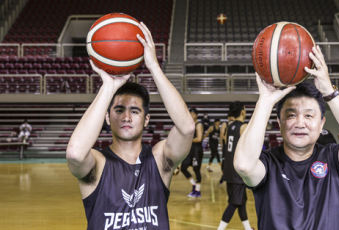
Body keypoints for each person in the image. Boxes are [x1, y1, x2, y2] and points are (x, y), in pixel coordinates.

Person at [66, 22, 195, 230]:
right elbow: (74, 154)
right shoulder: (98, 164)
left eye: (135, 111)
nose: (126, 116)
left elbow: (187, 128)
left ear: (146, 119)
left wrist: (153, 66)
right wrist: (108, 86)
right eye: (119, 110)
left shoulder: (159, 158)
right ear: (107, 118)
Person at [233, 45, 339, 230]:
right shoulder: (268, 164)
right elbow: (243, 165)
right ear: (279, 122)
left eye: (309, 116)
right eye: (291, 115)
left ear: (322, 123)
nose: (300, 123)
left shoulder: (333, 159)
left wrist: (328, 92)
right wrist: (265, 102)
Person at [217, 101, 253, 230]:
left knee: (240, 200)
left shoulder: (228, 126)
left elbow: (225, 145)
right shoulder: (243, 127)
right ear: (242, 111)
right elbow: (249, 148)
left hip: (229, 167)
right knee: (234, 202)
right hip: (238, 169)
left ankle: (248, 228)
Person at [180, 108, 204, 198]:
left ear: (196, 115)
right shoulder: (190, 124)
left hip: (197, 150)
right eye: (189, 113)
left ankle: (197, 191)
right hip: (190, 150)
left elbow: (199, 138)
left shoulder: (198, 124)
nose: (190, 115)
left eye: (192, 114)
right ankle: (194, 184)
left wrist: (187, 140)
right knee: (183, 168)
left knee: (196, 170)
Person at [219, 113, 235, 184]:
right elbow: (222, 136)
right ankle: (224, 175)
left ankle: (228, 176)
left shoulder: (236, 125)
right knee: (224, 163)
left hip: (234, 147)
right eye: (230, 117)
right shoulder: (225, 124)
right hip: (227, 147)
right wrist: (222, 145)